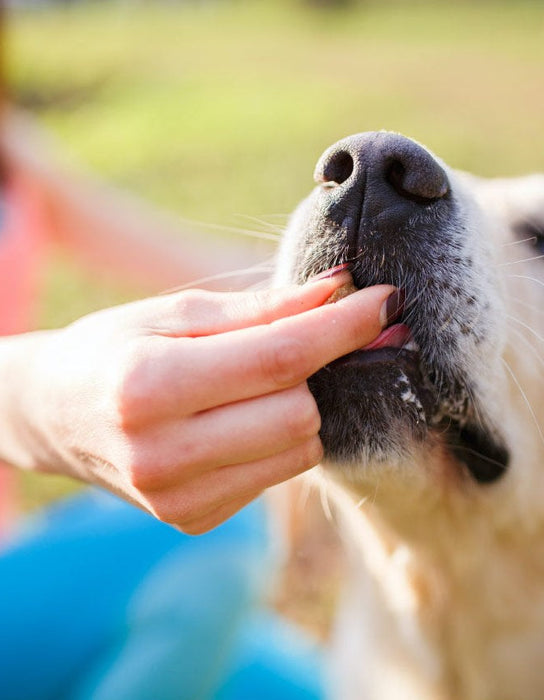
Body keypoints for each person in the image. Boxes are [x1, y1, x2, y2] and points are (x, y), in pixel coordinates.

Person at [0, 109, 398, 535]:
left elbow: (165, 251)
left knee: (249, 528)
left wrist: (320, 271)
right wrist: (33, 402)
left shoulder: (14, 148)